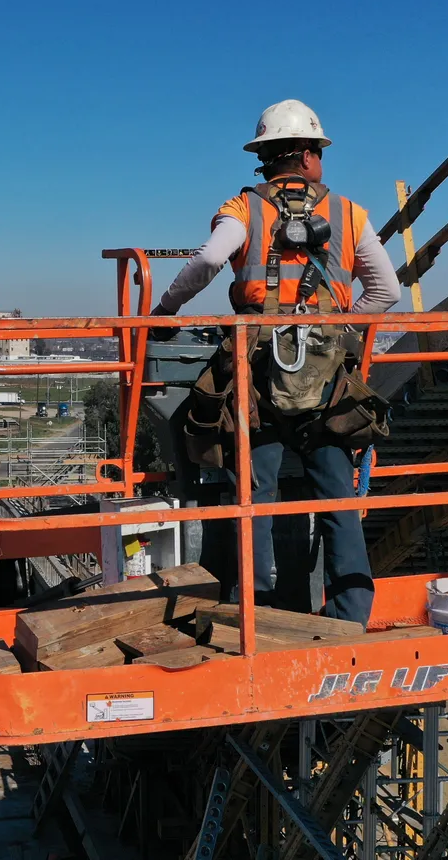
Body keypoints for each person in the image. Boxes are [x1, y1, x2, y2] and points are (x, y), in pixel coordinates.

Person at [150, 99, 399, 626]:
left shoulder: (243, 208)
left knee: (255, 493)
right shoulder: (350, 214)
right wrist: (341, 322)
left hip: (256, 376)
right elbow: (387, 290)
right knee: (336, 495)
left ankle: (255, 608)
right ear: (308, 155)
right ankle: (350, 612)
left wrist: (165, 309)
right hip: (326, 381)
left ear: (265, 157)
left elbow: (211, 260)